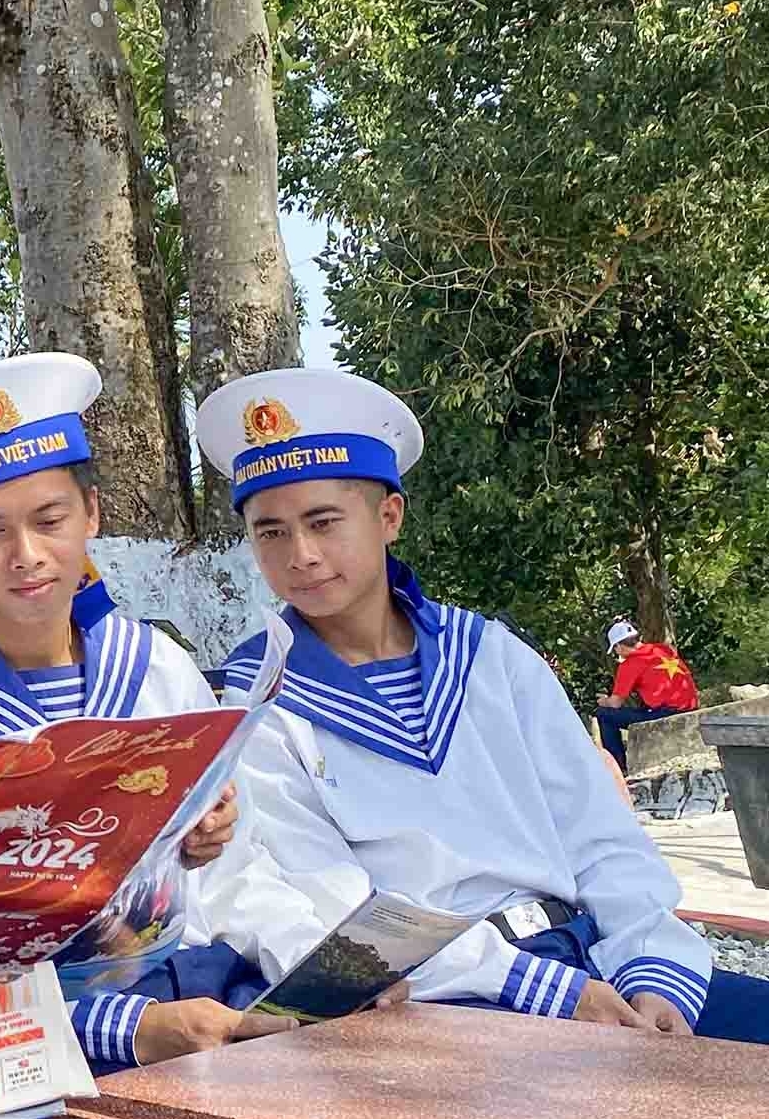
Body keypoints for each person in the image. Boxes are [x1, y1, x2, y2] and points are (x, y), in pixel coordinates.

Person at [196, 368, 769, 1044]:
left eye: (323, 522)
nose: (302, 555)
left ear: (388, 516)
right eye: (271, 532)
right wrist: (549, 991)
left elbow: (602, 836)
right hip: (447, 995)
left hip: (590, 955)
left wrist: (654, 971)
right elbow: (335, 902)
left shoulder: (490, 657)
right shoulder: (261, 700)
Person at [0, 354, 287, 1070]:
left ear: (92, 514)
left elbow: (239, 873)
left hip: (200, 986)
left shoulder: (156, 667)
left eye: (50, 520)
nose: (27, 555)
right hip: (30, 1036)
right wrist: (125, 1027)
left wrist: (210, 837)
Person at [597, 618, 700, 772]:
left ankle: (618, 768)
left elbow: (616, 703)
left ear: (619, 646)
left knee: (604, 715)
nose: (616, 653)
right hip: (690, 707)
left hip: (666, 713)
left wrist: (604, 701)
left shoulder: (629, 664)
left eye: (615, 649)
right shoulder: (662, 649)